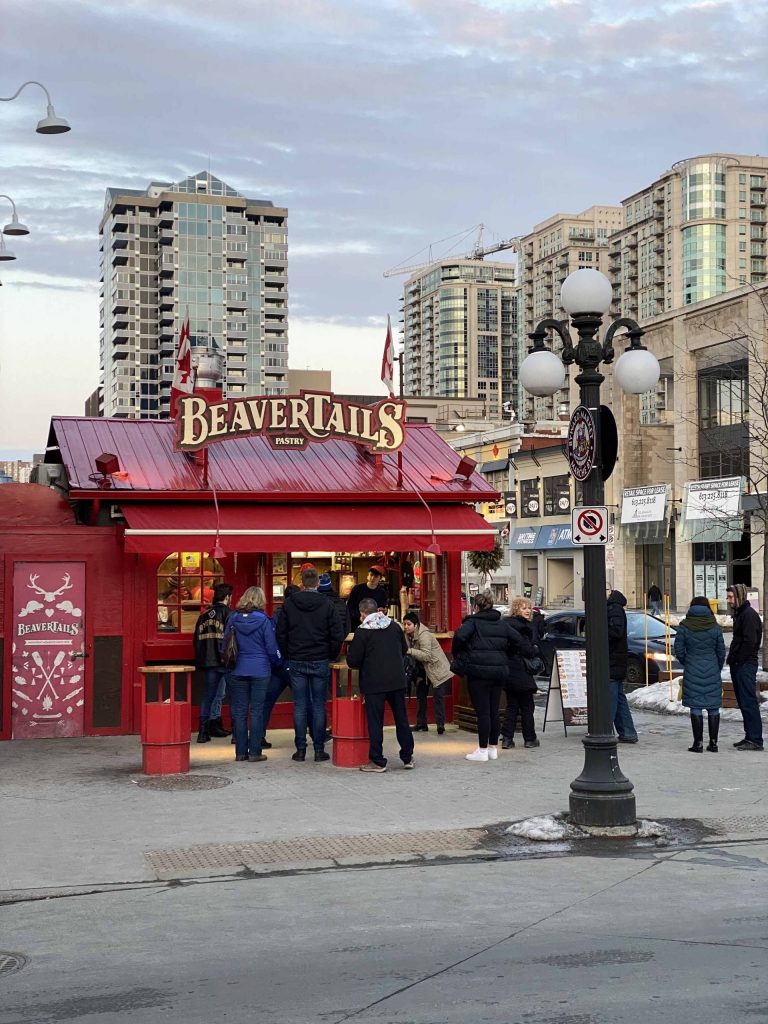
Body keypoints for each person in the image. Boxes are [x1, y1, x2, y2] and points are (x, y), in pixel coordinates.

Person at [277, 566, 344, 763]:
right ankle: (319, 748)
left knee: (300, 705)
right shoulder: (326, 603)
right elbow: (337, 634)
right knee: (318, 705)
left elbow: (281, 633)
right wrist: (331, 654)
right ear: (317, 584)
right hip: (319, 658)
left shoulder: (289, 604)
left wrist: (289, 654)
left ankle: (300, 749)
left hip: (297, 659)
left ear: (302, 584)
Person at [451, 589, 526, 762]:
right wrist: (506, 654)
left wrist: (461, 654)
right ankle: (493, 748)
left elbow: (459, 637)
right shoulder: (501, 623)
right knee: (493, 711)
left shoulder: (472, 623)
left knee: (483, 712)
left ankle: (482, 750)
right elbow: (517, 640)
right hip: (499, 672)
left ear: (476, 606)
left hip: (478, 673)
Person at [346, 597, 415, 772]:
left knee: (375, 722)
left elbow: (353, 661)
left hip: (374, 683)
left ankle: (377, 760)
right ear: (377, 610)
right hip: (397, 680)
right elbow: (404, 650)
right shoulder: (393, 626)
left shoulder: (362, 631)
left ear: (362, 614)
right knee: (402, 720)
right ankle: (407, 757)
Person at [221, 586, 280, 763]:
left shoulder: (233, 618)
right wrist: (278, 661)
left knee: (239, 712)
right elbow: (271, 647)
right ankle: (255, 752)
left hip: (238, 669)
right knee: (256, 711)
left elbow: (225, 645)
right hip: (260, 670)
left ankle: (240, 752)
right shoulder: (264, 621)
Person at [673, 596, 725, 753]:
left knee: (695, 706)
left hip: (692, 668)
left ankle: (698, 743)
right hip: (712, 668)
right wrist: (717, 666)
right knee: (713, 706)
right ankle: (714, 743)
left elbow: (678, 649)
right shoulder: (714, 625)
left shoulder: (684, 625)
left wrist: (687, 662)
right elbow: (721, 651)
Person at [260, 584, 301, 749]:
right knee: (304, 700)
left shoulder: (277, 614)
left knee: (266, 701)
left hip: (277, 664)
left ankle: (258, 735)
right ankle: (316, 733)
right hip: (293, 661)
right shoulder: (299, 614)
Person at [193, 583, 233, 743]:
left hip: (208, 661)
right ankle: (234, 734)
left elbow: (196, 640)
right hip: (225, 661)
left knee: (210, 695)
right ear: (227, 597)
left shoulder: (203, 615)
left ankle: (204, 731)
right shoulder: (229, 614)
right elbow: (232, 640)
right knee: (232, 696)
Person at [726, 584, 764, 751]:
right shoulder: (741, 614)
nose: (728, 601)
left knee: (748, 702)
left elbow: (750, 641)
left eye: (731, 597)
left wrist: (739, 659)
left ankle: (755, 739)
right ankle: (750, 736)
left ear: (739, 596)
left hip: (746, 664)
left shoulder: (748, 615)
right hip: (740, 663)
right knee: (743, 701)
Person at [501, 597, 541, 750]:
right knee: (526, 706)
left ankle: (506, 739)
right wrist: (535, 649)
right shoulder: (523, 627)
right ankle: (530, 739)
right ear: (517, 609)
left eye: (529, 608)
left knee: (512, 706)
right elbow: (528, 650)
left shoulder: (505, 625)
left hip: (509, 670)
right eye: (524, 608)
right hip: (522, 671)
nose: (528, 611)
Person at [402, 610, 452, 734]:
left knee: (438, 697)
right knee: (420, 696)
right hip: (422, 671)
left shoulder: (424, 635)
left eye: (408, 624)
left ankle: (440, 725)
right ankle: (421, 723)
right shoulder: (408, 635)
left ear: (416, 625)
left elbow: (426, 656)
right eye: (405, 624)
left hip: (437, 669)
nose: (406, 627)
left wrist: (409, 651)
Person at [607, 588, 639, 743]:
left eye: (606, 589)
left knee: (610, 698)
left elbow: (615, 632)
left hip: (612, 661)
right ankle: (628, 732)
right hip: (616, 660)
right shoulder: (614, 608)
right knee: (618, 698)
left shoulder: (614, 609)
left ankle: (603, 732)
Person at [318, 572, 351, 637]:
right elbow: (347, 628)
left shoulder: (316, 603)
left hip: (319, 643)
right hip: (337, 643)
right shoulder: (342, 603)